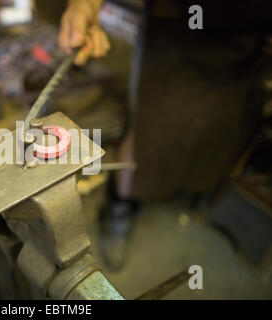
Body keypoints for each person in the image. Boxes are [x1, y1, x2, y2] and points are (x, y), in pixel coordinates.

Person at [58, 0, 271, 270]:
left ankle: (185, 190)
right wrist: (85, 3)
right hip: (176, 28)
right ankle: (119, 206)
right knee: (151, 135)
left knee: (217, 131)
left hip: (247, 44)